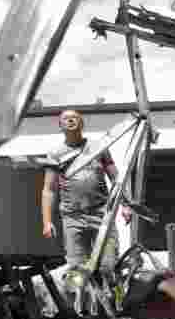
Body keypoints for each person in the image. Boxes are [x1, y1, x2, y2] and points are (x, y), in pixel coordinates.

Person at [41, 110, 129, 283]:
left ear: (82, 123)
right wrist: (47, 221)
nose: (71, 120)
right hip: (72, 217)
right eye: (66, 118)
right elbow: (48, 190)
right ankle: (81, 308)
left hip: (102, 214)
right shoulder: (55, 154)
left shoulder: (99, 148)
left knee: (108, 266)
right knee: (76, 271)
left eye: (75, 117)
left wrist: (126, 205)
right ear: (60, 126)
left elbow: (116, 178)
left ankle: (116, 304)